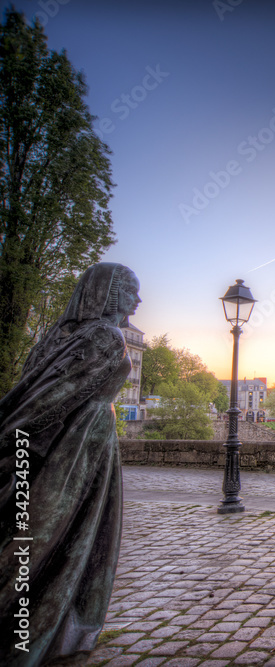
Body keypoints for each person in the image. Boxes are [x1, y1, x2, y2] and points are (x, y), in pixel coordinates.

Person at [0, 263, 140, 666]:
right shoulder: (105, 337)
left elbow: (37, 390)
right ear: (109, 294)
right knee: (61, 534)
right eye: (130, 291)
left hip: (77, 439)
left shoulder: (61, 336)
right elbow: (50, 398)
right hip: (80, 444)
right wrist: (13, 432)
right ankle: (43, 628)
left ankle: (48, 623)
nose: (137, 300)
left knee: (50, 533)